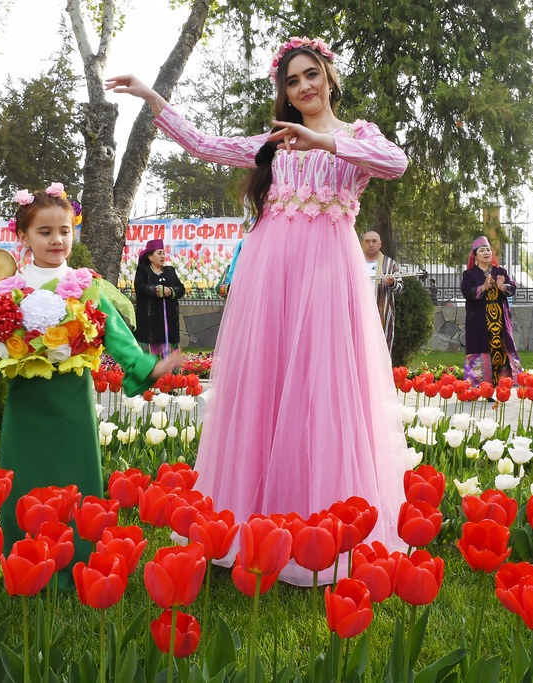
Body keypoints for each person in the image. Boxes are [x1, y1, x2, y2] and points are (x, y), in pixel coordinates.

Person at [106, 35, 412, 585]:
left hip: (327, 273)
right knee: (266, 387)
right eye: (292, 82)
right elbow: (205, 144)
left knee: (324, 386)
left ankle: (328, 526)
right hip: (270, 274)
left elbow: (397, 163)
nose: (303, 87)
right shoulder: (274, 143)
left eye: (310, 75)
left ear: (329, 76)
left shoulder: (356, 137)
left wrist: (322, 142)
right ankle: (253, 525)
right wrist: (154, 98)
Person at [0, 184, 180, 578]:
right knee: (25, 483)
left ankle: (79, 564)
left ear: (74, 232)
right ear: (23, 237)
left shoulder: (88, 287)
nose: (57, 239)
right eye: (45, 232)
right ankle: (25, 566)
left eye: (65, 230)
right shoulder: (7, 294)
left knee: (77, 482)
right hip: (26, 407)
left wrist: (145, 366)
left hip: (73, 408)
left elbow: (118, 339)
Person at [461, 236, 522, 387]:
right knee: (480, 352)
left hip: (499, 323)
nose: (486, 252)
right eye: (482, 250)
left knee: (501, 351)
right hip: (479, 322)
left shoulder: (500, 271)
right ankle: (478, 387)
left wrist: (503, 288)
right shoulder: (469, 275)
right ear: (475, 255)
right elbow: (466, 292)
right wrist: (483, 287)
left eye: (488, 249)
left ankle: (500, 387)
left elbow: (513, 287)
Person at [133, 238, 186, 356]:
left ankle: (172, 375)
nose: (163, 256)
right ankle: (152, 373)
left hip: (169, 322)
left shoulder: (170, 271)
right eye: (159, 253)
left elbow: (181, 289)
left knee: (171, 353)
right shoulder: (143, 270)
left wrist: (171, 291)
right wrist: (160, 290)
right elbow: (140, 287)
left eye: (164, 253)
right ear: (150, 257)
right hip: (149, 322)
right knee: (151, 356)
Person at [361, 230, 403, 353]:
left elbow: (399, 288)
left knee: (381, 349)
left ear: (380, 244)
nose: (371, 244)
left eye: (374, 241)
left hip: (382, 314)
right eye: (367, 241)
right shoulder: (356, 263)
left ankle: (382, 373)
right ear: (362, 244)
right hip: (360, 314)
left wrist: (392, 283)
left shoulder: (390, 264)